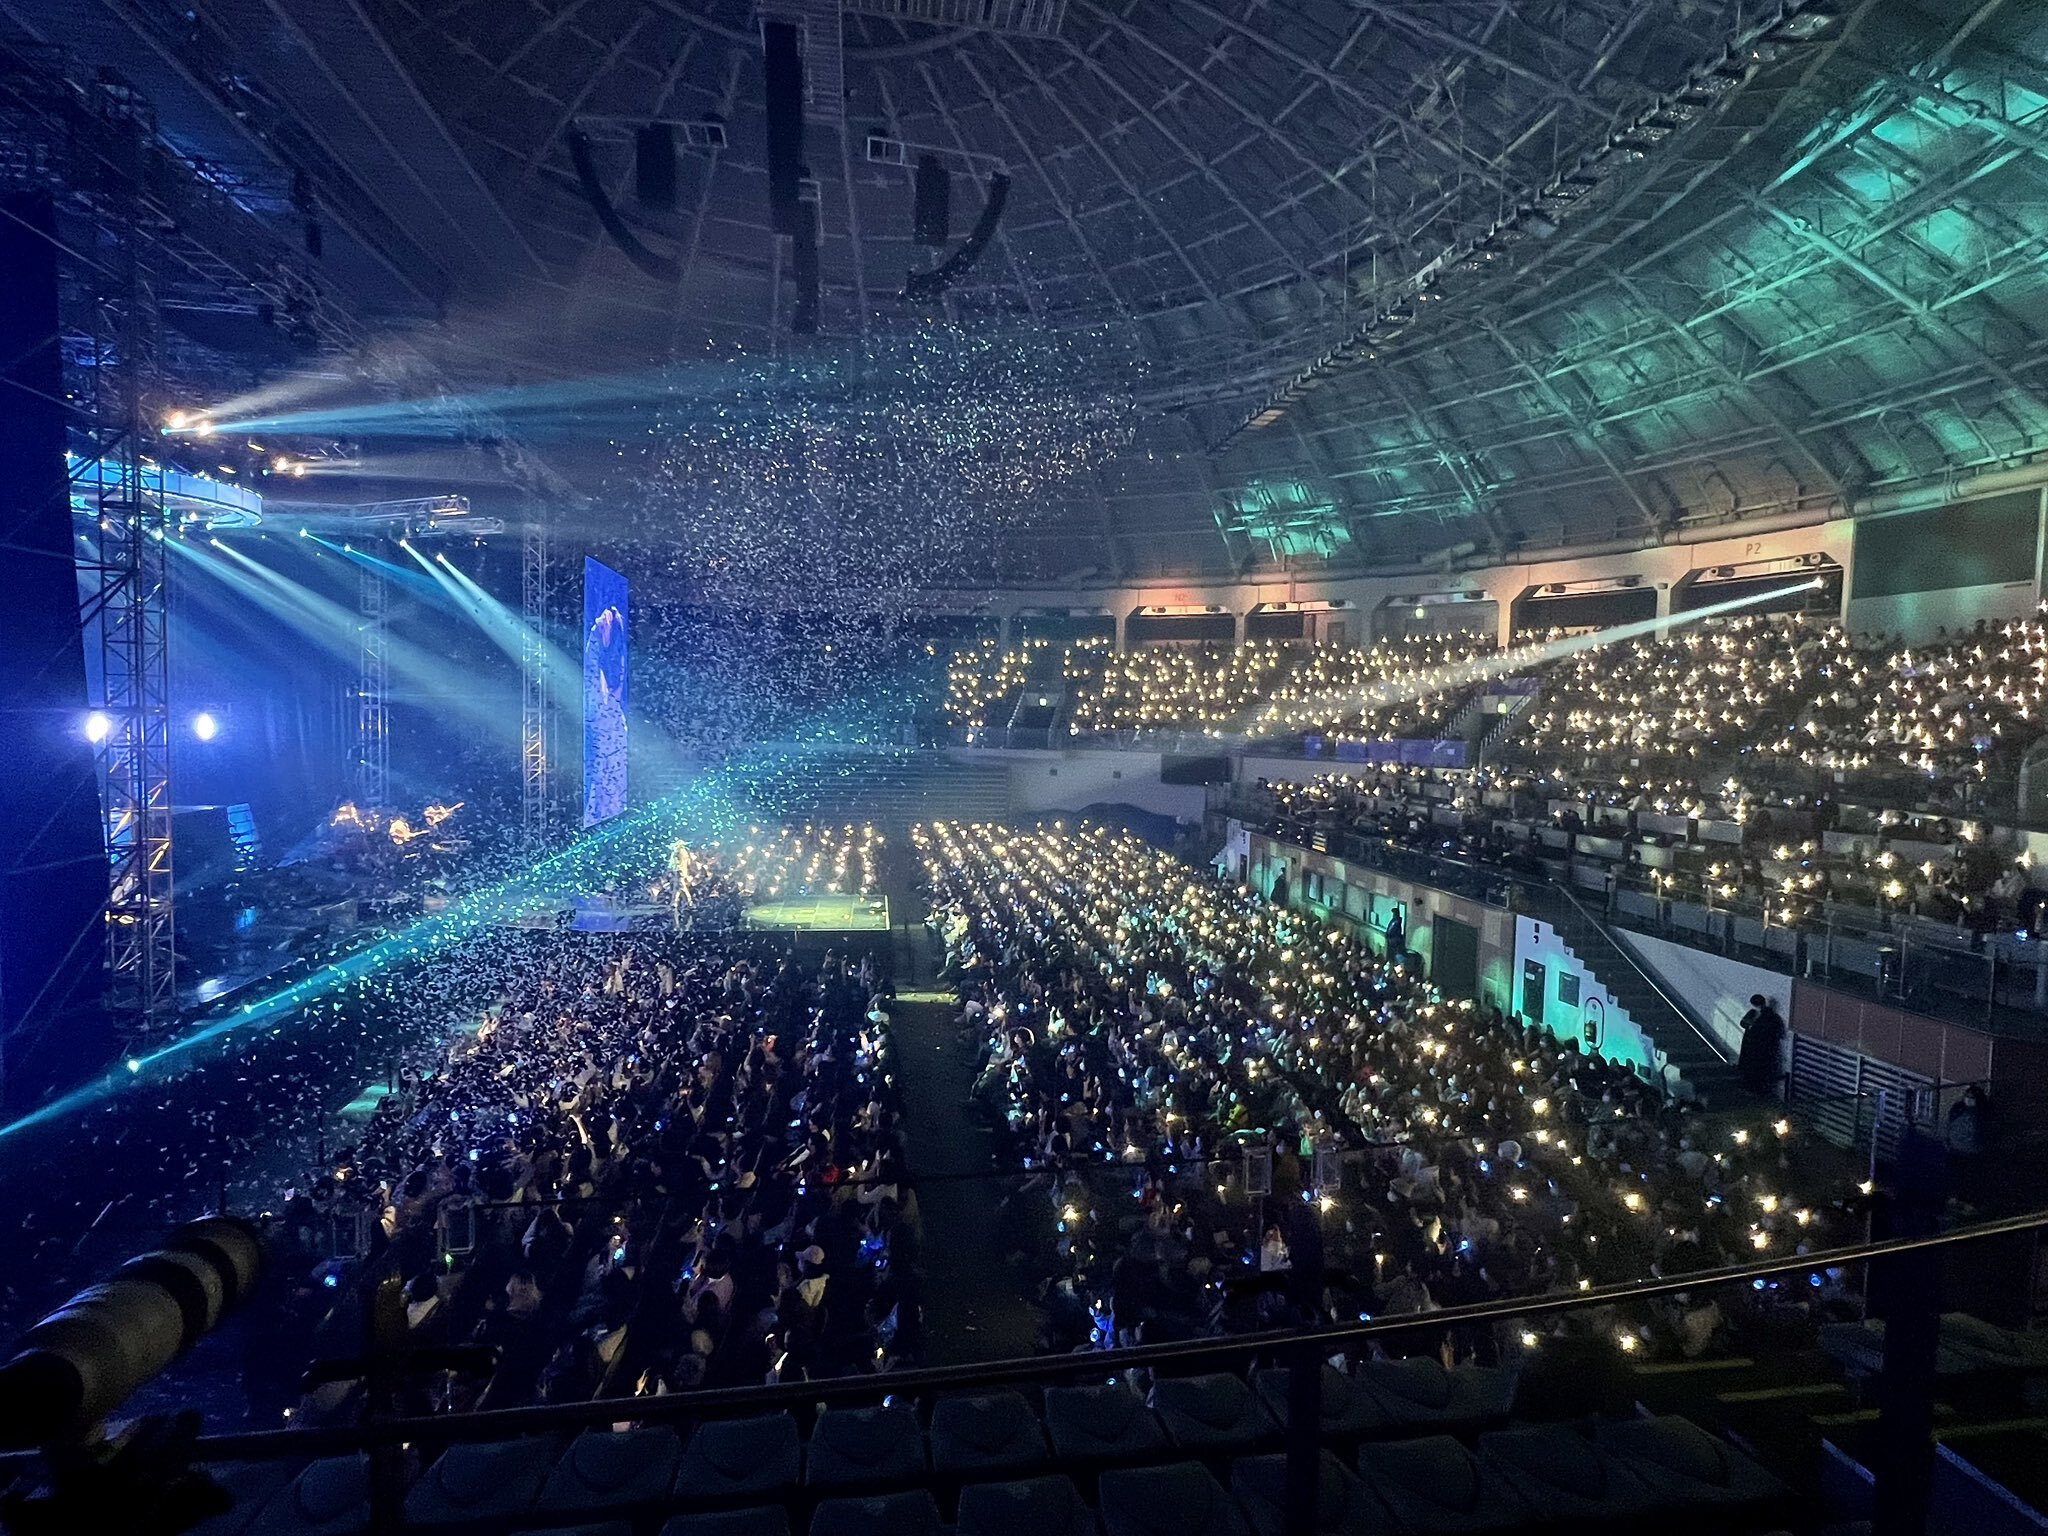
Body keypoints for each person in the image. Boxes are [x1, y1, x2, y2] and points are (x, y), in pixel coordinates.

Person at [1736, 994, 1784, 1096]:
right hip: (1763, 1047)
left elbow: (1744, 1024)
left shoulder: (1757, 1014)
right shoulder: (1771, 1016)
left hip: (1755, 1046)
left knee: (1753, 1069)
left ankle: (1753, 1089)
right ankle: (1757, 1089)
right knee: (1759, 1069)